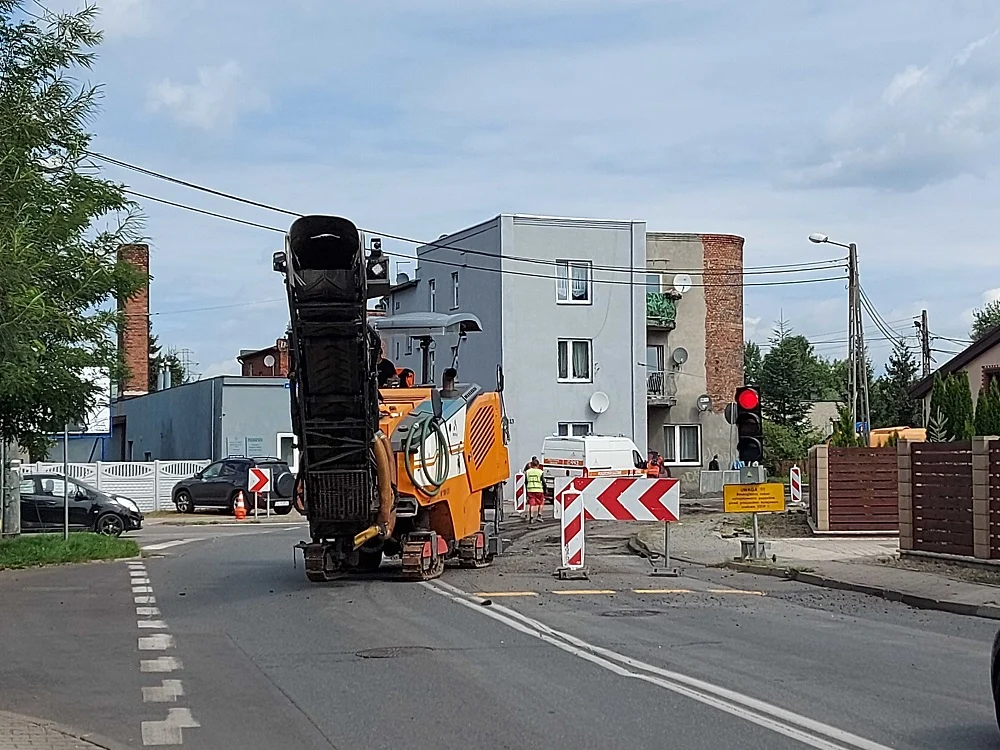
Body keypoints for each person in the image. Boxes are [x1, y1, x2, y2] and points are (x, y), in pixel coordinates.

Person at [525, 457, 544, 523]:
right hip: (539, 490)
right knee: (541, 503)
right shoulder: (540, 472)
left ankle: (531, 518)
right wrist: (545, 488)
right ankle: (539, 516)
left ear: (531, 465)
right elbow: (543, 481)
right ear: (538, 465)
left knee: (531, 504)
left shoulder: (528, 472)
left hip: (530, 490)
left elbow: (526, 481)